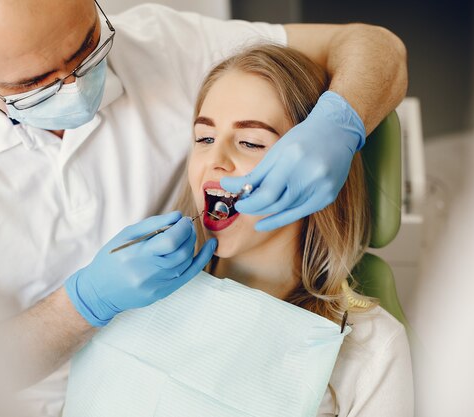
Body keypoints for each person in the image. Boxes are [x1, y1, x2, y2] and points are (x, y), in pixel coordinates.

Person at [0, 0, 407, 415]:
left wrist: (341, 122)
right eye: (36, 82)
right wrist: (84, 304)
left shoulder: (368, 350)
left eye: (85, 48)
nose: (77, 86)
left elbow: (375, 47)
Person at [64, 44, 413, 416]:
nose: (215, 161)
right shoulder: (131, 285)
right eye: (204, 138)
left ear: (314, 169)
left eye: (251, 142)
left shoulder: (371, 347)